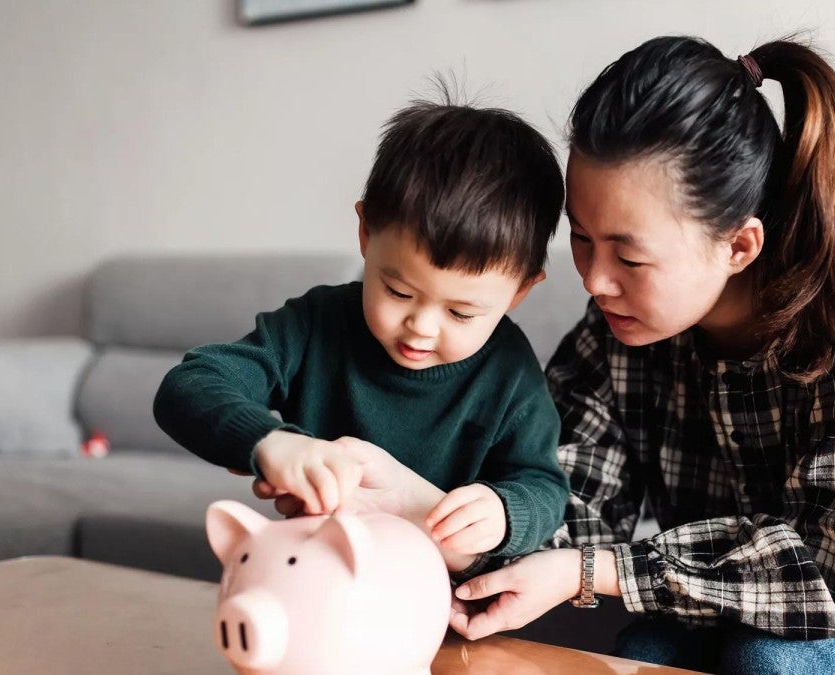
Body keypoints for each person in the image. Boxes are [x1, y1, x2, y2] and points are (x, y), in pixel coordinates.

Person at [440, 36, 835, 673]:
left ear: (739, 246)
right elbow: (573, 488)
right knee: (646, 652)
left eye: (629, 255)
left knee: (768, 663)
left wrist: (595, 570)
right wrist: (490, 522)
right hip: (734, 607)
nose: (594, 280)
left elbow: (833, 583)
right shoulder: (629, 317)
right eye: (583, 238)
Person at [153, 100, 569, 571]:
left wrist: (505, 511)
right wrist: (270, 442)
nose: (422, 327)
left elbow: (545, 487)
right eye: (398, 291)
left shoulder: (509, 370)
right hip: (317, 572)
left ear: (520, 290)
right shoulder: (316, 323)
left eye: (460, 312)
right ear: (366, 233)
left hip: (437, 593)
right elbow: (188, 387)